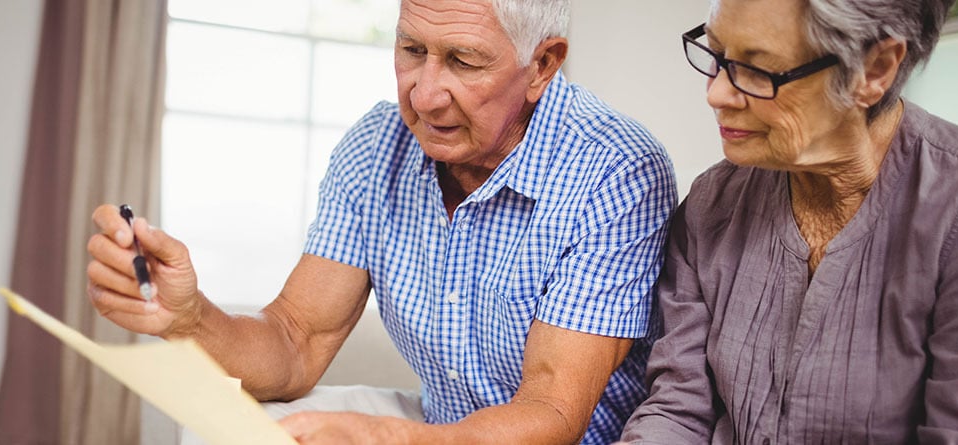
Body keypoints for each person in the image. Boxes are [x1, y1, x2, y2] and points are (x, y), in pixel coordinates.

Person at [87, 0, 677, 443]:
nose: (423, 95)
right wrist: (188, 319)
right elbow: (295, 342)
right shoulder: (377, 146)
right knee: (227, 426)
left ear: (542, 64)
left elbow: (551, 412)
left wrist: (391, 439)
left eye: (463, 61)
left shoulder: (616, 169)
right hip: (439, 423)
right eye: (412, 50)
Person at [620, 0, 958, 443]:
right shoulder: (712, 203)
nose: (717, 93)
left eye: (758, 70)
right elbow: (678, 410)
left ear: (874, 69)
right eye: (718, 56)